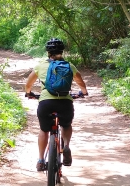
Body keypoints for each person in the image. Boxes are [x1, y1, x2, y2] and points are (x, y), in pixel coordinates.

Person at [24, 38, 88, 171]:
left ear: (48, 52)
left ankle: (41, 160)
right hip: (65, 102)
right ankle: (66, 146)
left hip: (46, 102)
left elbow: (28, 84)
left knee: (44, 130)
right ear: (62, 51)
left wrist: (29, 93)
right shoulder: (69, 65)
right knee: (66, 124)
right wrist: (83, 92)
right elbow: (80, 81)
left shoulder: (40, 65)